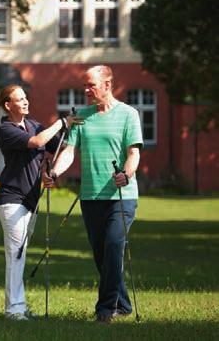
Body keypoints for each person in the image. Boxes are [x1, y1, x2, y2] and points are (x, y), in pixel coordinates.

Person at [43, 65, 143, 324]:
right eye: (84, 86)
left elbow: (134, 153)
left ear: (107, 85)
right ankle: (122, 304)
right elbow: (69, 151)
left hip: (122, 196)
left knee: (113, 246)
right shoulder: (82, 117)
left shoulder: (128, 114)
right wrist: (54, 172)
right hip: (90, 197)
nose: (86, 91)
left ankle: (104, 311)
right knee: (102, 255)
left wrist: (126, 174)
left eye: (91, 86)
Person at [0, 84, 80, 320]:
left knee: (20, 252)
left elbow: (59, 146)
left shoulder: (33, 125)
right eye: (19, 99)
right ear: (8, 105)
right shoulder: (6, 129)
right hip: (11, 198)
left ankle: (18, 306)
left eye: (25, 98)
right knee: (16, 253)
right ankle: (14, 310)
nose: (25, 102)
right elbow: (37, 141)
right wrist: (61, 123)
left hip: (32, 200)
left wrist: (52, 172)